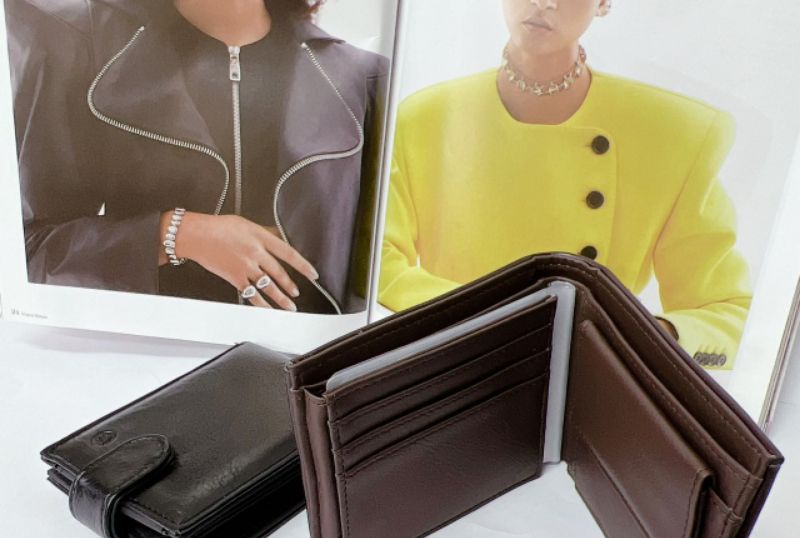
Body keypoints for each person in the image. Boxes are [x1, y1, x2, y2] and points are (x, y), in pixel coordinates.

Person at [379, 0, 751, 368]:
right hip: (452, 367)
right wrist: (488, 323)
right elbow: (379, 266)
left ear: (603, 3)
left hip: (586, 379)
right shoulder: (425, 118)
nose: (544, 2)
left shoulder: (670, 133)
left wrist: (646, 336)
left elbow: (727, 313)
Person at [7, 0, 388, 314]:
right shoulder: (76, 42)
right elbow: (26, 253)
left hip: (303, 369)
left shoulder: (362, 78)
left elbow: (374, 274)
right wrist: (178, 234)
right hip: (145, 362)